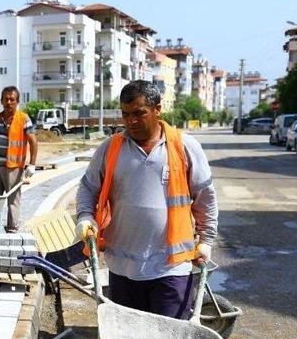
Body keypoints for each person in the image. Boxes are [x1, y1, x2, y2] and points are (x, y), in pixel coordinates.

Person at [75, 80, 218, 319]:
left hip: (170, 267)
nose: (131, 121)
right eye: (125, 114)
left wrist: (206, 240)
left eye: (139, 113)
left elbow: (205, 198)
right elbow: (87, 188)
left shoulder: (184, 147)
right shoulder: (110, 149)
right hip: (123, 267)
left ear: (157, 109)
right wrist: (85, 216)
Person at [0, 86, 38, 232]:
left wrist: (32, 164)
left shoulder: (23, 119)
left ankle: (12, 229)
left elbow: (33, 141)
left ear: (17, 102)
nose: (9, 102)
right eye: (6, 99)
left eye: (12, 99)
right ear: (1, 101)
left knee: (13, 201)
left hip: (14, 168)